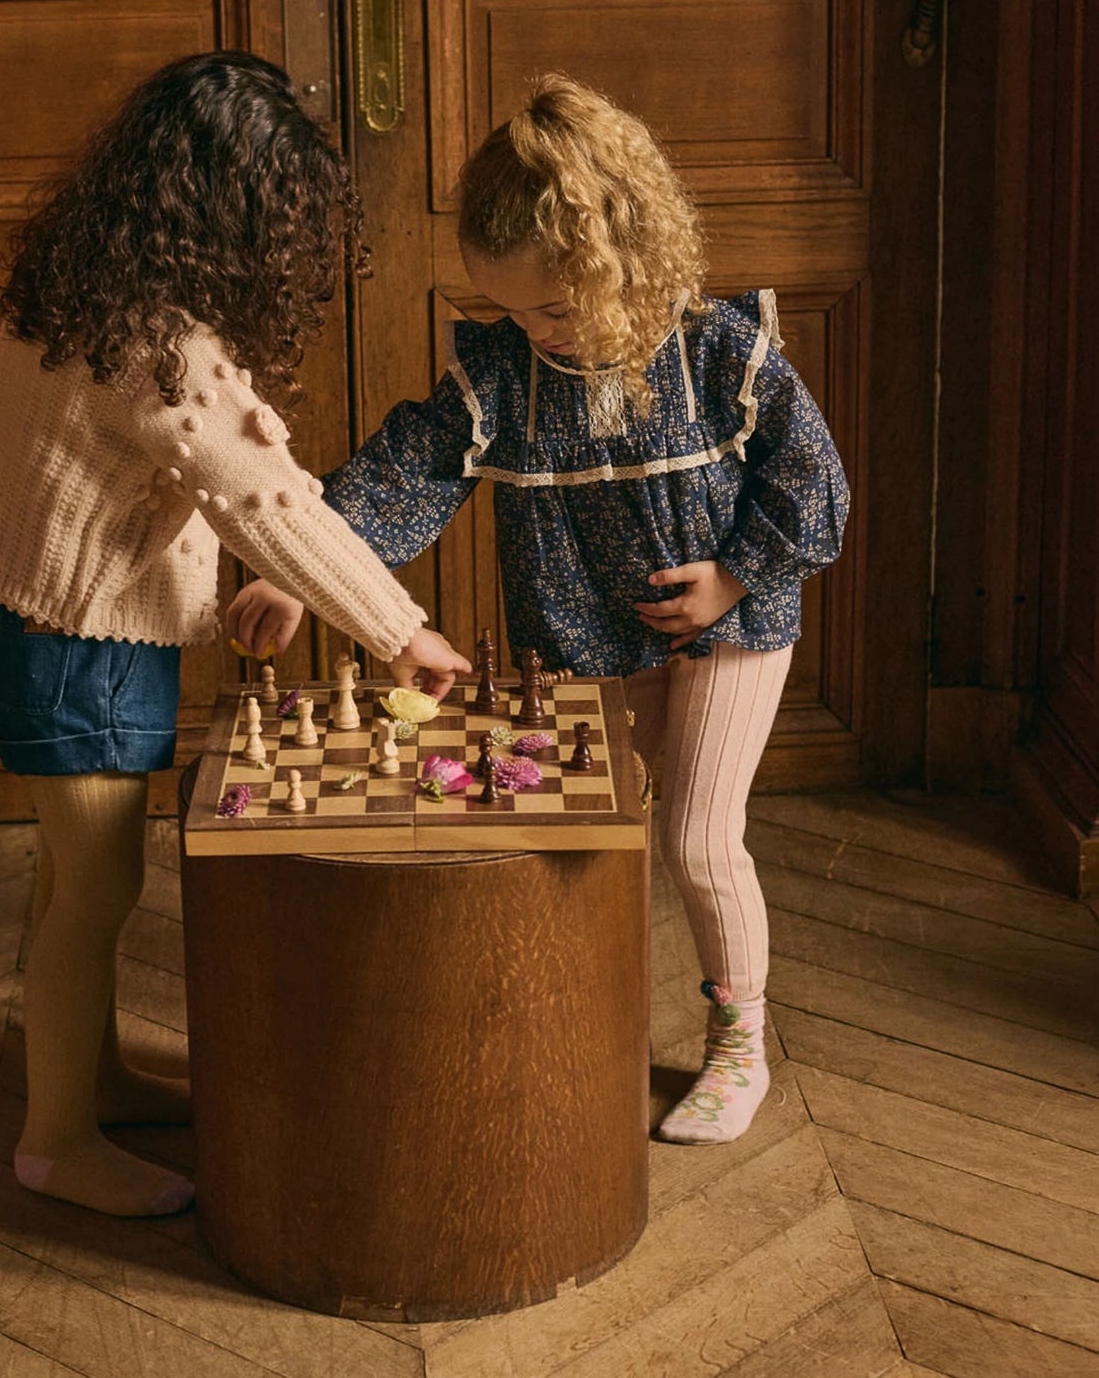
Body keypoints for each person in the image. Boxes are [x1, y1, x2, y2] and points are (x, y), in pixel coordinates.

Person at [228, 74, 848, 1146]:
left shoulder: (721, 354)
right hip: (582, 636)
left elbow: (814, 482)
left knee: (699, 837)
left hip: (733, 624)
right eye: (511, 310)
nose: (537, 331)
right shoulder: (506, 375)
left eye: (556, 307)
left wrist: (736, 576)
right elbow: (404, 471)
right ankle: (585, 1025)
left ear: (626, 262)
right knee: (595, 838)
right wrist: (301, 564)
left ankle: (737, 1041)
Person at [0, 52, 468, 1217]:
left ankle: (85, 1075)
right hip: (76, 647)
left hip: (34, 618)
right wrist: (401, 629)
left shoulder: (72, 282)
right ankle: (53, 1141)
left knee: (67, 880)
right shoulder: (162, 343)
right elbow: (267, 497)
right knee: (97, 889)